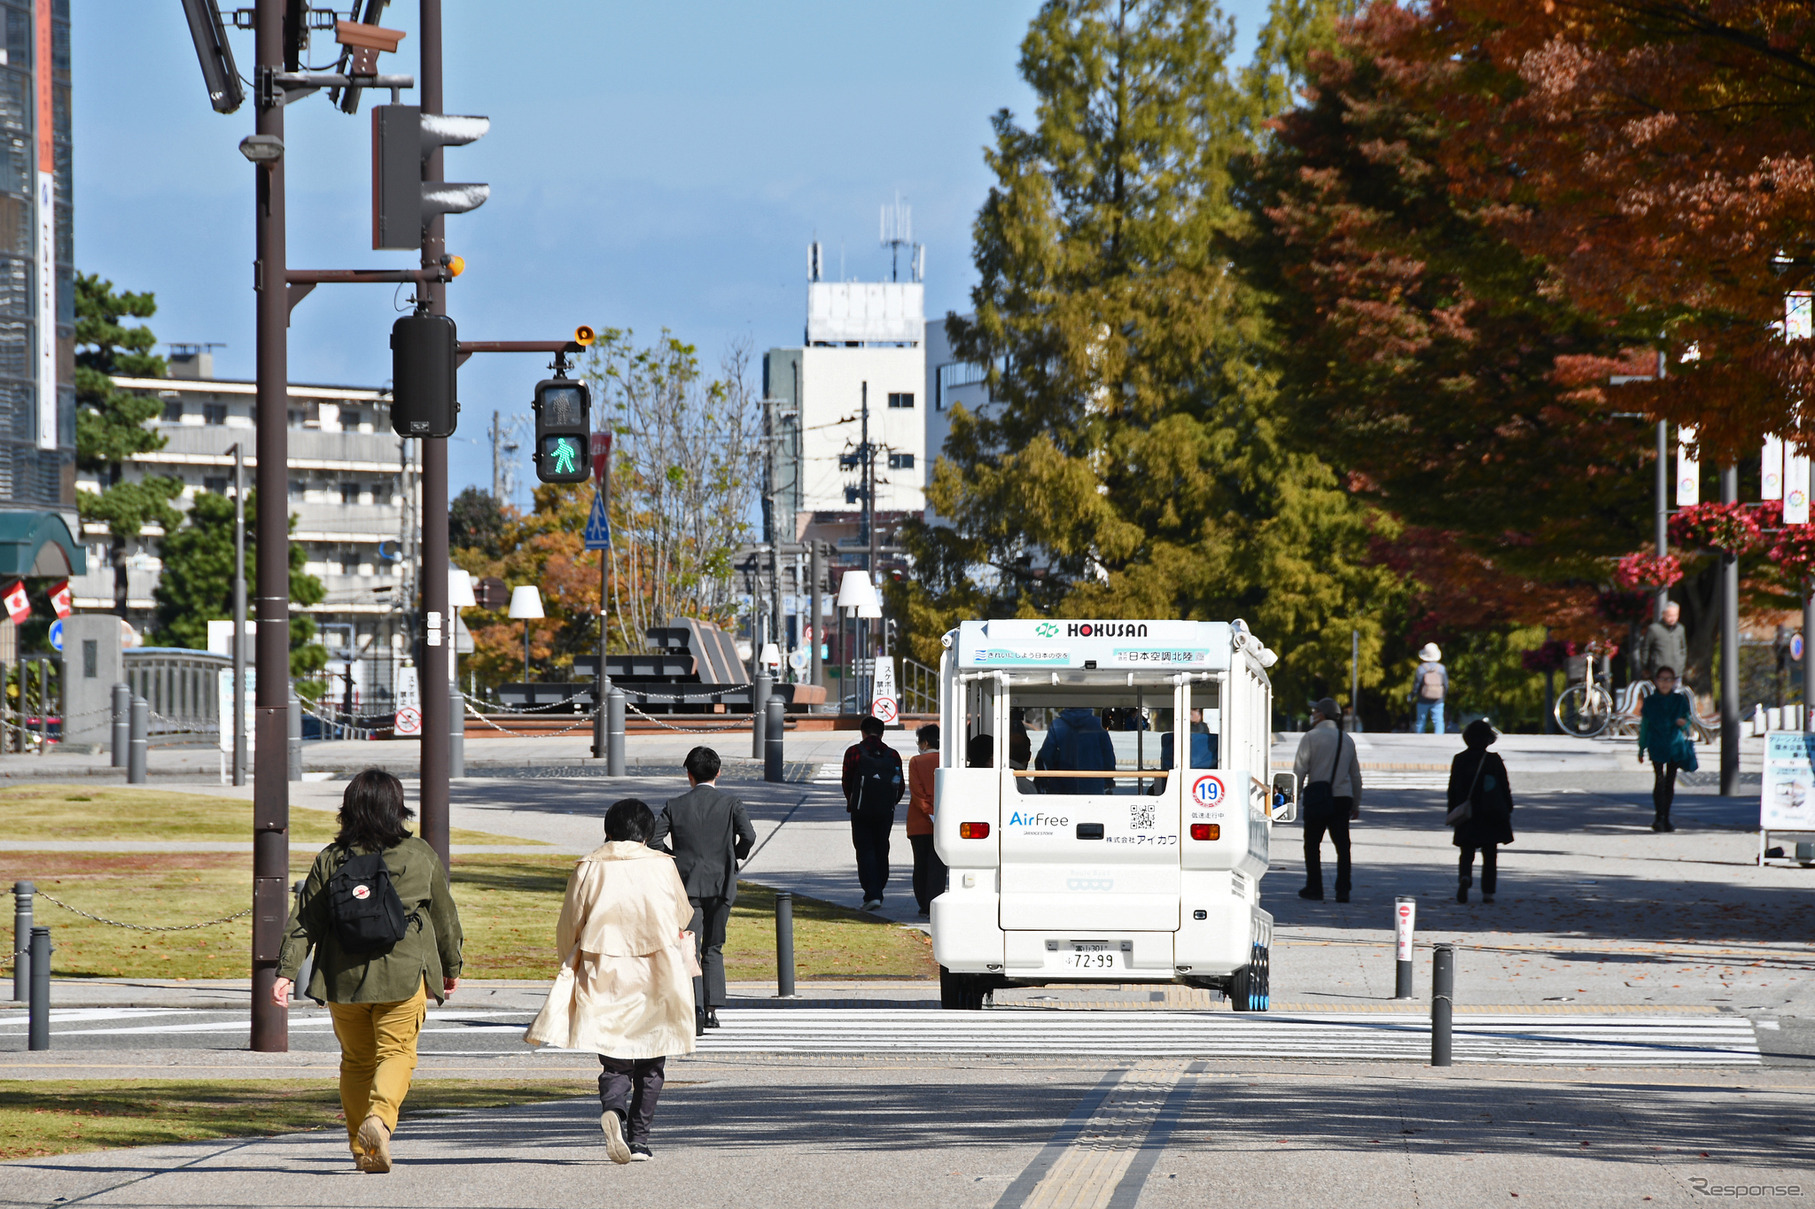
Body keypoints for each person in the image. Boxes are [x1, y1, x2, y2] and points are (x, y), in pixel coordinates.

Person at [273, 769, 463, 1174]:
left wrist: (286, 972)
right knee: (396, 1052)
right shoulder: (418, 854)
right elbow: (445, 917)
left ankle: (363, 1151)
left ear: (349, 809)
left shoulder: (331, 858)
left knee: (356, 1062)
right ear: (397, 809)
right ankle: (379, 1119)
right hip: (403, 973)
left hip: (343, 978)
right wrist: (451, 966)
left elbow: (305, 920)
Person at [525, 798, 696, 1164]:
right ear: (647, 834)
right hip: (658, 968)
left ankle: (613, 1109)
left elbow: (570, 922)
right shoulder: (662, 865)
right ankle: (640, 1140)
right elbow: (682, 914)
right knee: (652, 1058)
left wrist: (569, 959)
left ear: (608, 830)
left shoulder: (590, 866)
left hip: (603, 966)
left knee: (615, 1058)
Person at [652, 747, 755, 1029]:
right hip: (722, 882)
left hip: (687, 885)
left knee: (690, 946)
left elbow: (654, 840)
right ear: (718, 772)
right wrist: (734, 856)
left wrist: (675, 858)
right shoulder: (731, 803)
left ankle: (694, 1006)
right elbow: (748, 835)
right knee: (714, 946)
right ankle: (711, 1009)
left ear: (689, 775)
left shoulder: (675, 805)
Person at [1292, 697, 1363, 902]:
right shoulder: (1346, 739)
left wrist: (1293, 797)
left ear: (1322, 715)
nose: (1313, 714)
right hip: (1342, 798)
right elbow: (1355, 775)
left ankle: (1314, 887)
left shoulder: (1310, 737)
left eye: (1315, 711)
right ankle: (1343, 890)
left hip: (1317, 798)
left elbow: (1299, 770)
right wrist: (1356, 803)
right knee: (1343, 846)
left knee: (1312, 844)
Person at [1446, 719, 1515, 903]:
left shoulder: (1459, 759)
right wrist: (1508, 807)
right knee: (1490, 854)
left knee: (1466, 852)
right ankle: (1488, 892)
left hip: (1467, 812)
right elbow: (1504, 786)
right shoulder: (1494, 760)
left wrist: (1452, 810)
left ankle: (1465, 877)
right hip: (1491, 812)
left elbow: (1452, 788)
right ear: (1488, 739)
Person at [841, 716, 904, 911]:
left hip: (861, 810)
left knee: (864, 848)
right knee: (881, 847)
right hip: (885, 810)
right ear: (882, 733)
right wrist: (890, 803)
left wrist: (852, 801)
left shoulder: (853, 752)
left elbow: (846, 781)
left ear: (862, 732)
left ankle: (872, 893)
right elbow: (899, 784)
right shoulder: (893, 755)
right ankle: (879, 888)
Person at [1637, 665, 1694, 832]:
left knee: (1670, 782)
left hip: (1674, 745)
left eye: (1668, 679)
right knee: (1659, 780)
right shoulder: (1650, 702)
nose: (1665, 683)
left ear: (1674, 682)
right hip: (1656, 744)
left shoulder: (1679, 700)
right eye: (1662, 679)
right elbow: (1645, 726)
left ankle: (1666, 817)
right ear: (1656, 681)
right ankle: (1659, 817)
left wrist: (1684, 723)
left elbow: (1687, 720)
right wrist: (1641, 748)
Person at [1035, 705, 1118, 795]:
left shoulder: (1057, 725)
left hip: (1063, 785)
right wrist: (1109, 780)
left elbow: (1046, 756)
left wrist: (1053, 775)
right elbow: (1108, 756)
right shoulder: (1098, 725)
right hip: (1093, 785)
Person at [906, 723, 944, 917]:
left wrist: (929, 812)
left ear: (925, 742)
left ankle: (923, 904)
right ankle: (934, 901)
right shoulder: (947, 761)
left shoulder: (916, 762)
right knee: (938, 865)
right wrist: (939, 815)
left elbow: (917, 792)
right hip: (944, 820)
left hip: (920, 822)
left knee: (920, 864)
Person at [1639, 601, 1689, 683]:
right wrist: (1645, 667)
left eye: (1675, 615)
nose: (1673, 618)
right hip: (1659, 672)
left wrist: (1681, 664)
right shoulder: (1654, 629)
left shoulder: (1680, 629)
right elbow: (1645, 648)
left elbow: (1683, 648)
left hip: (1676, 672)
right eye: (1670, 616)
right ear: (1663, 614)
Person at [1413, 642, 1448, 734]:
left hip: (1423, 699)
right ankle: (1439, 739)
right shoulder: (1441, 668)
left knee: (1421, 721)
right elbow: (1445, 685)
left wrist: (1413, 695)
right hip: (1438, 699)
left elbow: (1416, 686)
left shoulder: (1421, 668)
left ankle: (1419, 738)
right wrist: (1443, 696)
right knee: (1438, 721)